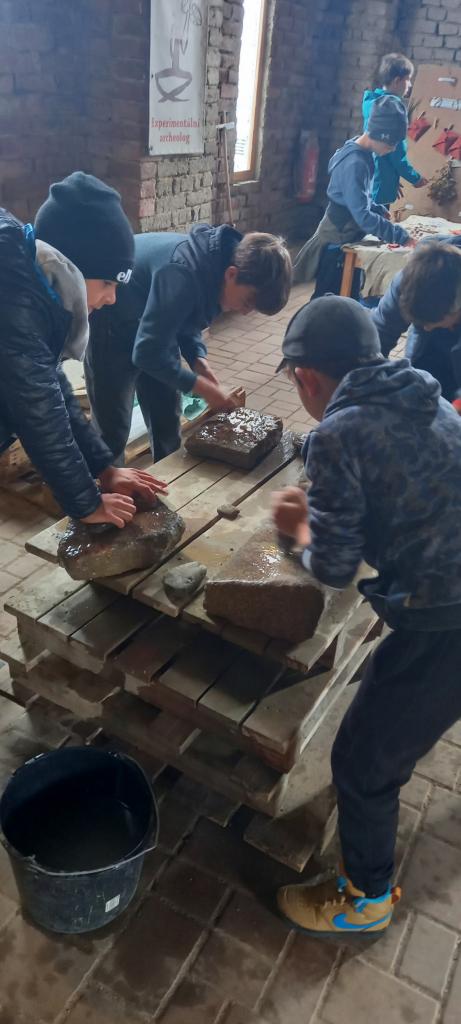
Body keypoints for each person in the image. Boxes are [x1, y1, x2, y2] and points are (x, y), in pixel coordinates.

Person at [271, 294, 461, 936]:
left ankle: (366, 900)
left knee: (362, 762)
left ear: (306, 377)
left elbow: (332, 566)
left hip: (447, 619)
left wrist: (298, 530)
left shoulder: (337, 435)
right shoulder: (427, 394)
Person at [1, 171, 166, 527]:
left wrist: (104, 468)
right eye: (107, 282)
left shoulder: (28, 283)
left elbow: (52, 389)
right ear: (69, 267)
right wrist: (87, 504)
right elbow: (39, 414)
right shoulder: (14, 303)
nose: (112, 298)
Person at [82, 227, 292, 464]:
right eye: (247, 302)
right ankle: (109, 482)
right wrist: (203, 388)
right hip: (113, 319)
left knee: (166, 415)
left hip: (153, 321)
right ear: (232, 274)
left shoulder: (221, 265)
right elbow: (146, 353)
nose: (245, 312)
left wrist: (198, 361)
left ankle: (168, 480)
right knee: (113, 426)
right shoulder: (182, 273)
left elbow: (187, 317)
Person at [293, 94, 413, 286]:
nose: (392, 149)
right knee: (329, 291)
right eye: (391, 144)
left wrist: (377, 208)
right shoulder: (355, 163)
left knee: (348, 289)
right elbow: (362, 216)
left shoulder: (363, 153)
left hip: (347, 233)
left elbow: (358, 197)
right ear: (379, 135)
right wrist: (402, 237)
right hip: (337, 239)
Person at [372, 239, 461, 401]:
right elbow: (381, 332)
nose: (427, 328)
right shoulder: (407, 281)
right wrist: (370, 380)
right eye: (422, 323)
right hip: (428, 349)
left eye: (433, 322)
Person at [362, 53, 427, 208]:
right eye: (408, 79)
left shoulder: (374, 102)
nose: (409, 85)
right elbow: (396, 151)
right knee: (374, 220)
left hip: (372, 175)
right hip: (380, 181)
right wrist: (415, 178)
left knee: (366, 214)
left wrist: (391, 179)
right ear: (397, 81)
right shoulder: (393, 108)